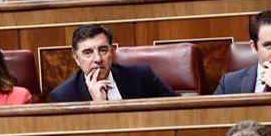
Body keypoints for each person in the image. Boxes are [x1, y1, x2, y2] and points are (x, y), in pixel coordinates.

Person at [49, 24, 178, 103]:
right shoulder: (63, 96)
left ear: (112, 52)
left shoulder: (141, 76)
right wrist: (99, 106)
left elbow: (179, 107)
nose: (98, 59)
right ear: (76, 58)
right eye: (88, 53)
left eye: (103, 50)